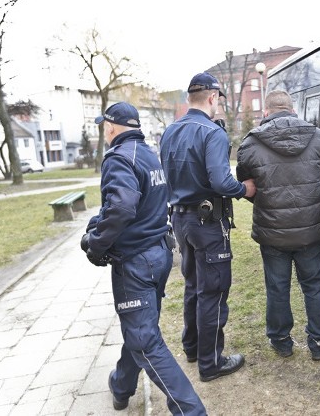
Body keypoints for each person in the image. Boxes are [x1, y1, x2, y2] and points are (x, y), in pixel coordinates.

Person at [81, 102, 206, 415]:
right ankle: (121, 385)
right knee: (140, 327)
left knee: (145, 340)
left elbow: (122, 207)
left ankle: (191, 411)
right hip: (158, 254)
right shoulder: (150, 155)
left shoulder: (118, 158)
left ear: (110, 126)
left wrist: (96, 246)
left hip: (135, 262)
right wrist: (98, 226)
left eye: (104, 125)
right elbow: (140, 203)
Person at [159, 72, 256, 382]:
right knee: (212, 290)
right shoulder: (212, 133)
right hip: (207, 222)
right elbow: (220, 180)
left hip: (181, 220)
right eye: (219, 100)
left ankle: (192, 348)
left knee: (193, 286)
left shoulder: (169, 131)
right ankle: (211, 362)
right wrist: (245, 190)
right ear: (213, 97)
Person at [236, 90, 320, 361]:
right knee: (314, 284)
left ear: (266, 112)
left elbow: (248, 188)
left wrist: (268, 203)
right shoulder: (318, 138)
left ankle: (281, 339)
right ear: (292, 110)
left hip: (272, 230)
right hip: (310, 229)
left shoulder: (250, 144)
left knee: (277, 286)